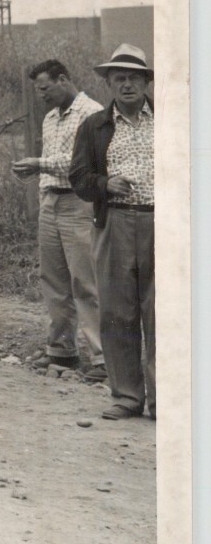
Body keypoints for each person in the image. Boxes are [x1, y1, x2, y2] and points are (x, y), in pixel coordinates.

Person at [70, 44, 155, 421]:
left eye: (133, 77)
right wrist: (105, 184)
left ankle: (163, 400)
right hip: (115, 223)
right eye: (118, 78)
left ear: (146, 81)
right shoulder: (94, 126)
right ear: (108, 83)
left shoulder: (172, 119)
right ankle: (126, 396)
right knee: (118, 312)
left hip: (163, 224)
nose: (126, 85)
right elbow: (78, 178)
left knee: (162, 312)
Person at [12, 59, 106, 380]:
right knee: (53, 280)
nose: (41, 96)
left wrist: (39, 163)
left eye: (45, 88)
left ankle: (103, 358)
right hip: (51, 201)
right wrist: (41, 188)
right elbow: (52, 165)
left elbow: (83, 164)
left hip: (79, 203)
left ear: (63, 79)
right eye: (38, 91)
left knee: (85, 280)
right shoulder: (50, 119)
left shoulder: (92, 113)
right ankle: (62, 351)